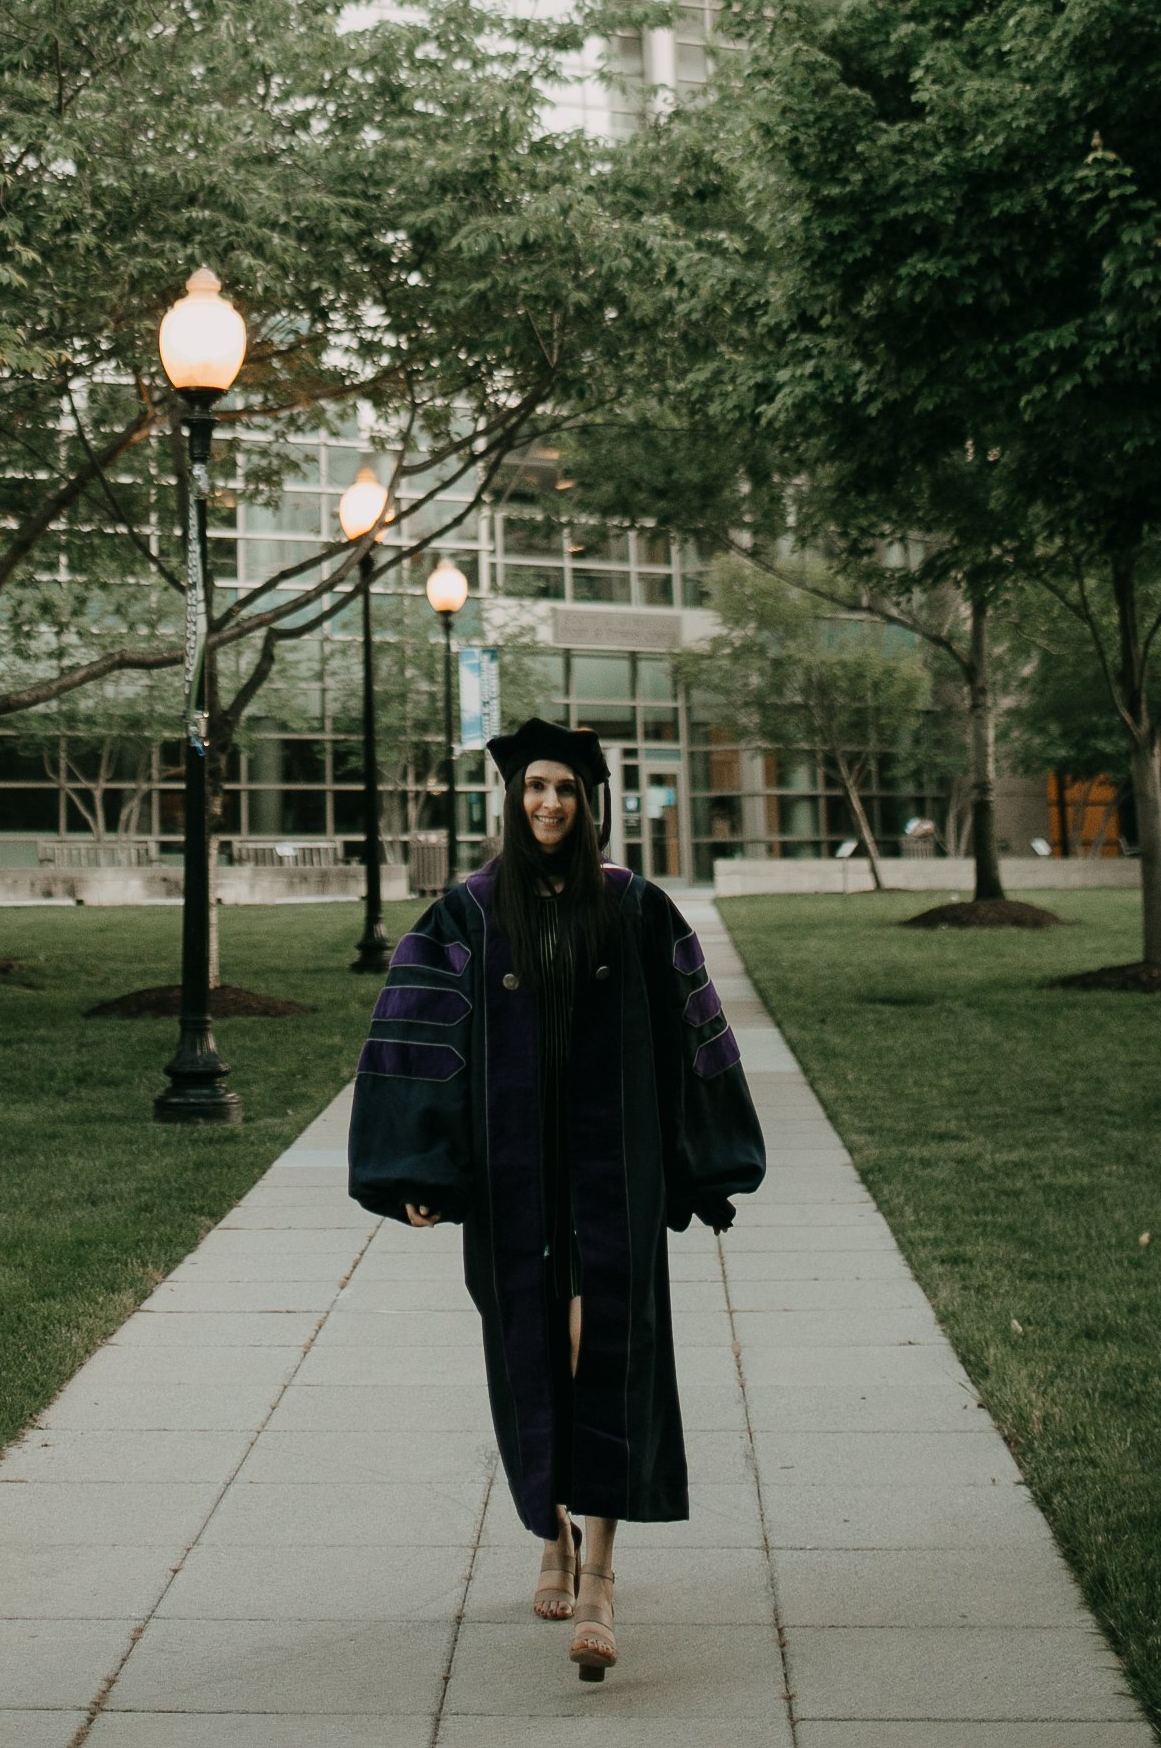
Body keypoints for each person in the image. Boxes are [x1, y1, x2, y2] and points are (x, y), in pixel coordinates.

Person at [347, 717, 766, 1680]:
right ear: (514, 797)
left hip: (614, 1173)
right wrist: (421, 1170)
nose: (548, 804)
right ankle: (553, 1533)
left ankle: (602, 1579)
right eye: (536, 787)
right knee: (534, 1349)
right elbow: (419, 1045)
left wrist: (702, 1164)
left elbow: (690, 1036)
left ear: (589, 804)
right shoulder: (469, 912)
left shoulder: (637, 907)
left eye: (566, 790)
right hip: (513, 1181)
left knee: (606, 1351)